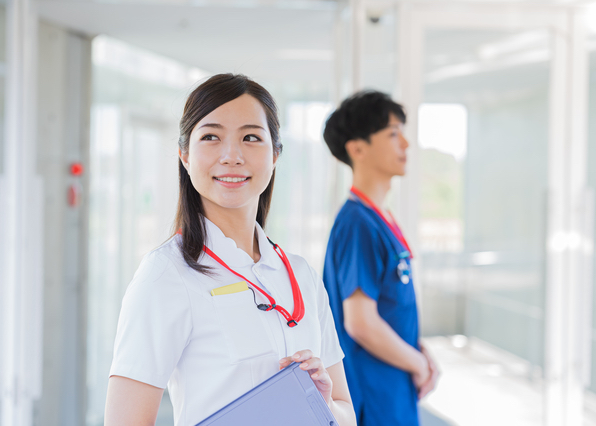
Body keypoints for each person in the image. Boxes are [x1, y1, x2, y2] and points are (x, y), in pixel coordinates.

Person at [104, 74, 356, 426]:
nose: (232, 155)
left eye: (251, 137)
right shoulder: (166, 274)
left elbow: (346, 411)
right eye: (211, 137)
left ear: (275, 154)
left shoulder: (302, 277)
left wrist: (322, 404)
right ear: (185, 155)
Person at [322, 90, 439, 426]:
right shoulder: (358, 224)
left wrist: (419, 352)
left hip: (392, 387)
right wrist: (419, 363)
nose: (406, 144)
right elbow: (360, 322)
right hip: (373, 395)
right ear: (357, 148)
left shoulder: (378, 218)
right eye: (392, 133)